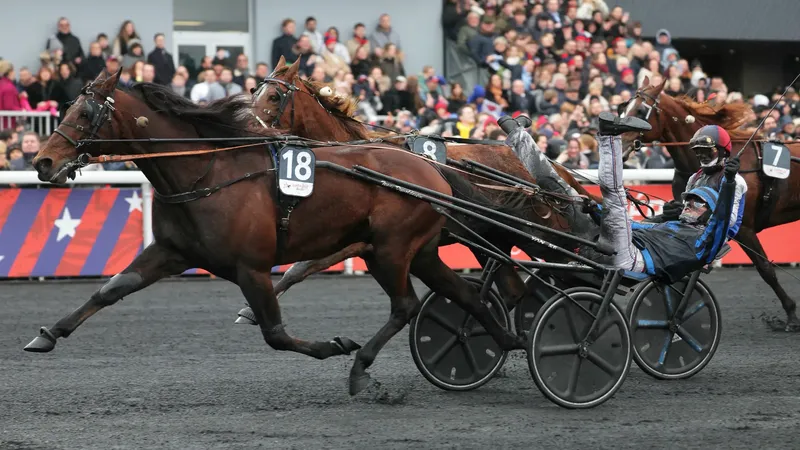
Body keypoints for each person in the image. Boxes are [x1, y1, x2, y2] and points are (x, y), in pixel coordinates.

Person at [499, 112, 740, 283]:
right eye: (697, 152)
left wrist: (728, 183)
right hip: (621, 245)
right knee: (564, 193)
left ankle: (609, 138)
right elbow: (637, 226)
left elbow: (723, 222)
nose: (688, 207)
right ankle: (519, 137)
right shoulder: (683, 209)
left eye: (706, 151)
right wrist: (596, 212)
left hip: (630, 258)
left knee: (613, 194)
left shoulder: (706, 237)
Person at [652, 125, 747, 239]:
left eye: (707, 151)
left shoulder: (736, 180)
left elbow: (730, 221)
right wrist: (674, 212)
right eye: (698, 151)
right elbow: (687, 210)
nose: (702, 155)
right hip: (689, 232)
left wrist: (702, 216)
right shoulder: (694, 178)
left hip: (713, 240)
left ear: (723, 151)